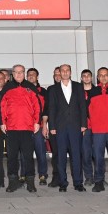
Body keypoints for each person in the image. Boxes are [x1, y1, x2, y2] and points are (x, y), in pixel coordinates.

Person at [0, 64, 41, 193]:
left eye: (21, 72)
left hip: (27, 128)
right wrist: (2, 122)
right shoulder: (7, 87)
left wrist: (37, 122)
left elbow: (37, 106)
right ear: (12, 74)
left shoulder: (31, 87)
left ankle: (30, 183)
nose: (18, 74)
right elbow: (2, 106)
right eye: (16, 72)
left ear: (24, 73)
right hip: (11, 128)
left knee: (28, 157)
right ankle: (13, 182)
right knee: (12, 157)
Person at [46, 64, 88, 192]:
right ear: (59, 73)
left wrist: (84, 124)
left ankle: (78, 183)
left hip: (76, 127)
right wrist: (52, 126)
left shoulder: (78, 86)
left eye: (67, 70)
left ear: (70, 72)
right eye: (62, 71)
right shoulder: (53, 89)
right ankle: (62, 183)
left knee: (77, 156)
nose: (64, 72)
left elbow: (82, 106)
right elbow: (51, 108)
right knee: (60, 157)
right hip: (59, 128)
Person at [26, 68, 49, 185]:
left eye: (33, 74)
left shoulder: (43, 92)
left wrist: (44, 125)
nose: (31, 76)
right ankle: (26, 175)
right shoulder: (23, 90)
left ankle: (42, 175)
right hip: (25, 127)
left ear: (37, 77)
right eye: (29, 75)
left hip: (38, 127)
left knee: (41, 152)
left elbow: (46, 110)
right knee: (25, 153)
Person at [80, 69, 97, 186]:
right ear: (81, 78)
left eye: (88, 75)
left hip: (97, 127)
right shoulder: (77, 91)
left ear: (92, 78)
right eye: (84, 76)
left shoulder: (97, 91)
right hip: (84, 127)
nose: (86, 77)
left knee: (97, 154)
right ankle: (89, 177)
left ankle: (100, 177)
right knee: (86, 154)